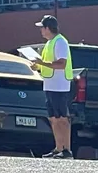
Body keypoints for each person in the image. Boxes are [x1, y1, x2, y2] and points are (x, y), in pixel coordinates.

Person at [31, 15, 74, 159]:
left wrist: (41, 63)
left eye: (42, 28)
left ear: (48, 28)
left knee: (62, 118)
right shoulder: (49, 43)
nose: (41, 31)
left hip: (60, 86)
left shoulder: (60, 42)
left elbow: (61, 64)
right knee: (53, 118)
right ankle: (58, 148)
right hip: (50, 85)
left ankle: (67, 150)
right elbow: (48, 63)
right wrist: (38, 66)